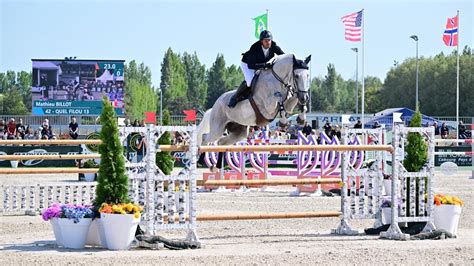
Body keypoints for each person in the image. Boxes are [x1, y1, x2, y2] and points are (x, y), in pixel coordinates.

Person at [228, 30, 285, 108]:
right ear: (261, 41)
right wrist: (264, 65)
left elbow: (283, 56)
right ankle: (235, 97)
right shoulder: (255, 48)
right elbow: (251, 66)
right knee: (249, 81)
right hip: (247, 64)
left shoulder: (274, 46)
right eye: (265, 41)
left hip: (262, 64)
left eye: (269, 40)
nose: (268, 42)